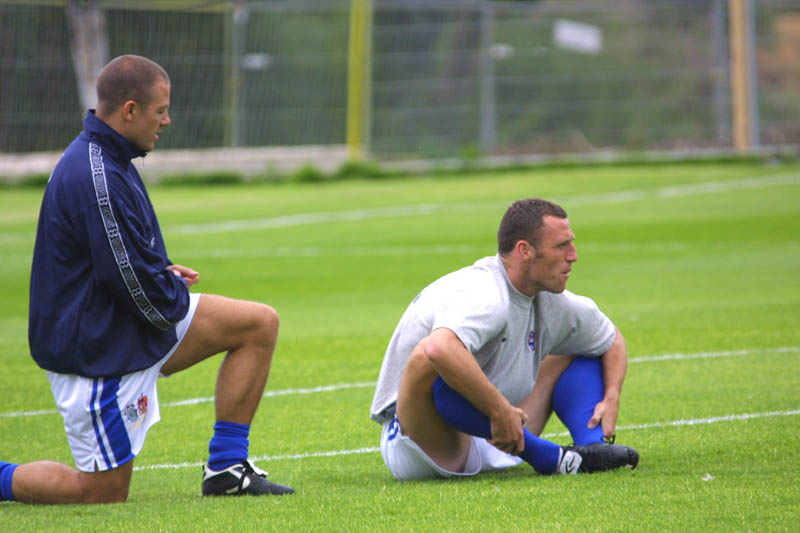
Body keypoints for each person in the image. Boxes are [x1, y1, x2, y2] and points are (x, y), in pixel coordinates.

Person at [0, 55, 293, 504]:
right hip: (95, 350)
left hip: (124, 321)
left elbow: (123, 260)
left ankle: (227, 469)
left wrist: (163, 271)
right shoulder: (94, 173)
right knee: (101, 492)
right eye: (160, 111)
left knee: (257, 324)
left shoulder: (113, 158)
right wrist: (164, 286)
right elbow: (135, 286)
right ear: (130, 110)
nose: (167, 120)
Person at [370, 198, 640, 480]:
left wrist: (612, 395)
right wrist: (499, 411)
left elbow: (610, 339)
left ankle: (590, 448)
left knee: (581, 347)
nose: (573, 255)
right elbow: (438, 349)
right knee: (430, 355)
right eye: (561, 246)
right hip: (421, 446)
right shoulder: (487, 294)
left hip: (497, 436)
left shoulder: (554, 302)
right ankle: (551, 458)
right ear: (524, 251)